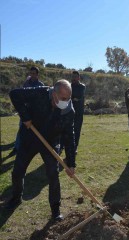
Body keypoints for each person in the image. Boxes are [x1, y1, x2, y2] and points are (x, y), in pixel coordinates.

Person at [6, 80, 76, 221]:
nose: (66, 101)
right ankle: (16, 197)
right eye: (63, 98)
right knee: (18, 171)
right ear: (53, 93)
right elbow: (14, 94)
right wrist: (25, 117)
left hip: (50, 142)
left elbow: (69, 137)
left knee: (53, 175)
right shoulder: (40, 93)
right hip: (30, 137)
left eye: (68, 98)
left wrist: (71, 163)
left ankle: (55, 210)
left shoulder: (69, 111)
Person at [13, 66, 45, 153]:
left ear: (37, 75)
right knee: (21, 129)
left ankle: (33, 148)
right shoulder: (26, 83)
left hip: (35, 112)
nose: (32, 75)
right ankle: (16, 148)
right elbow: (21, 96)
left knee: (35, 131)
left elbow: (42, 101)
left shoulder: (41, 85)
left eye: (34, 73)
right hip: (25, 111)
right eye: (31, 73)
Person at [71, 71, 86, 154]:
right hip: (69, 111)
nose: (74, 78)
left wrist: (72, 97)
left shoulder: (82, 87)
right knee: (67, 130)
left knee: (77, 130)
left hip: (78, 112)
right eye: (73, 76)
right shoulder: (69, 86)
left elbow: (78, 96)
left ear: (78, 78)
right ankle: (64, 146)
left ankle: (75, 147)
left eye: (75, 76)